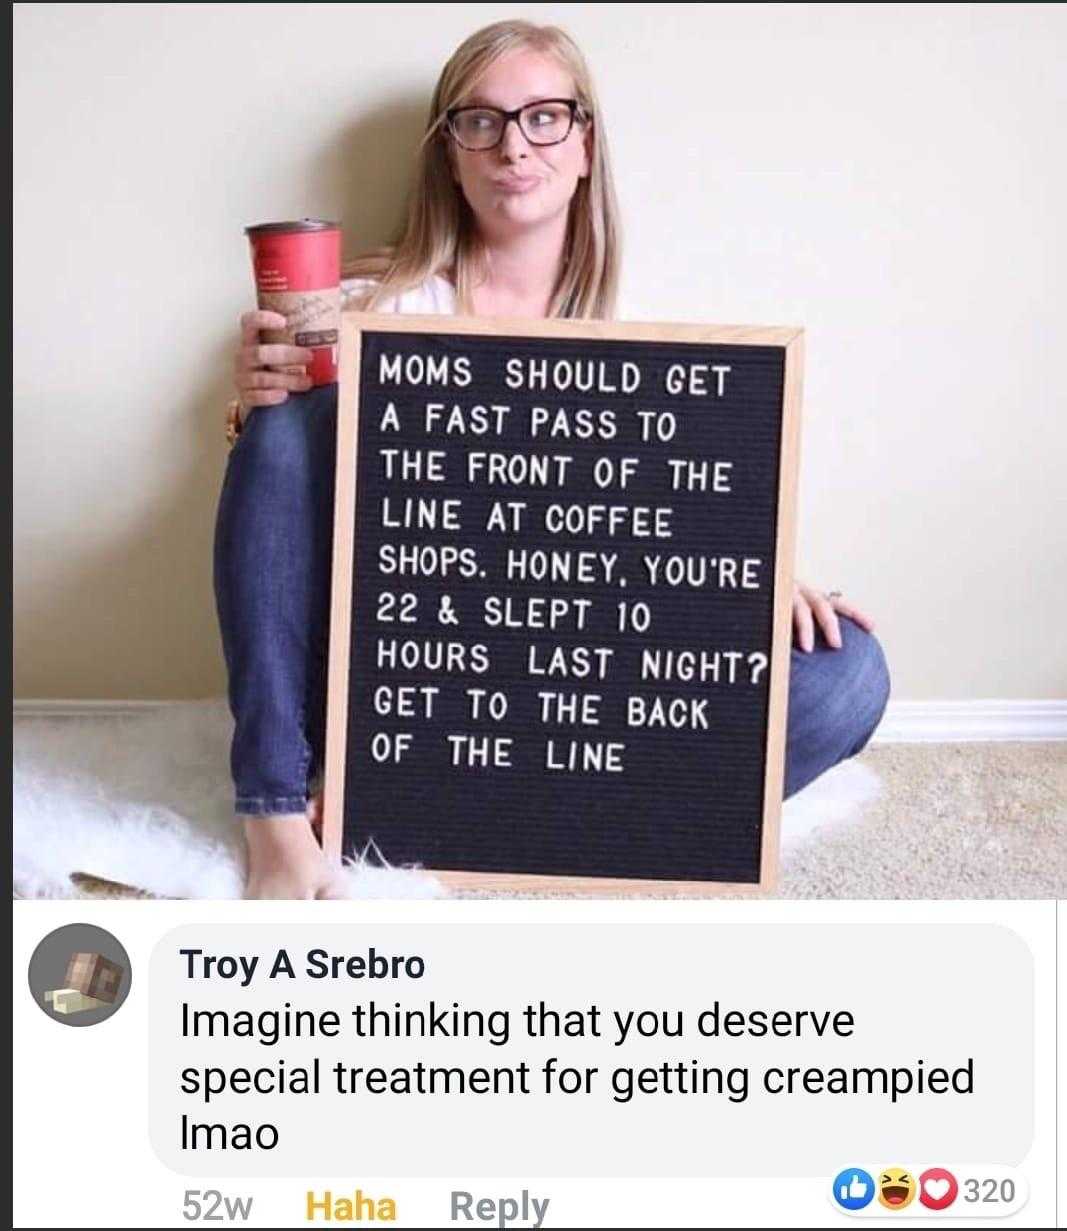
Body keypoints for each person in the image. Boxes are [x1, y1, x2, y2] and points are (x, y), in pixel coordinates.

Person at [215, 19, 890, 899]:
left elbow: (643, 571)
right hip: (377, 681)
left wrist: (757, 580)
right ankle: (278, 815)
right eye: (481, 121)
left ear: (583, 145)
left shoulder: (641, 353)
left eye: (543, 118)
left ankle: (463, 809)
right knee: (283, 429)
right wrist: (259, 402)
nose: (512, 146)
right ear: (449, 152)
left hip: (542, 692)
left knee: (849, 673)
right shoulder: (362, 307)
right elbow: (280, 513)